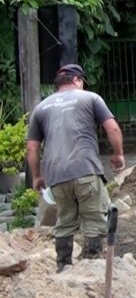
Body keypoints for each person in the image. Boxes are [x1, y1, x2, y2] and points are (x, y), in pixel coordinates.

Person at [26, 64, 125, 272]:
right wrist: (117, 154)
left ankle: (63, 267)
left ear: (58, 84)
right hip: (85, 170)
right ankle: (91, 266)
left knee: (64, 221)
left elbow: (32, 147)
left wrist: (36, 176)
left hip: (56, 177)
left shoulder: (41, 107)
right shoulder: (90, 98)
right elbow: (112, 127)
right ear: (78, 80)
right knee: (95, 218)